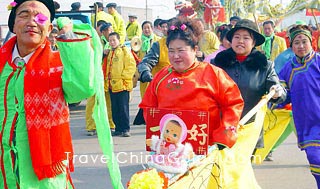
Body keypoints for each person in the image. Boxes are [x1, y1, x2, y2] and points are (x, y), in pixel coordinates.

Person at [0, 0, 96, 189]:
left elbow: (81, 89)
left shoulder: (59, 64)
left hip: (44, 179)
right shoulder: (2, 65)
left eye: (41, 17)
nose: (32, 21)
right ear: (14, 25)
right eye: (24, 15)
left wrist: (69, 37)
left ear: (50, 28)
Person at [140, 18, 244, 150]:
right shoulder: (161, 76)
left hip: (207, 149)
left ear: (195, 49)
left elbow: (233, 104)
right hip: (169, 149)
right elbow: (148, 108)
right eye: (171, 51)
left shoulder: (213, 74)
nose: (175, 56)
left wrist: (223, 137)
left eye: (180, 50)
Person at [213, 19, 286, 149]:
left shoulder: (264, 66)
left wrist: (277, 92)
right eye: (237, 37)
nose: (240, 41)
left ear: (253, 43)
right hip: (220, 129)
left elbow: (279, 93)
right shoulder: (217, 63)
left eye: (246, 38)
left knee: (242, 168)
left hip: (248, 130)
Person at [278, 24, 320, 189]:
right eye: (297, 43)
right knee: (315, 160)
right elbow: (283, 95)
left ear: (312, 43)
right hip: (307, 124)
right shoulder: (288, 68)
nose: (301, 46)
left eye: (304, 41)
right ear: (291, 46)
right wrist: (275, 95)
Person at [104, 32, 136, 137]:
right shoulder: (109, 53)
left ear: (119, 40)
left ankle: (125, 128)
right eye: (110, 40)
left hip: (122, 85)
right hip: (112, 85)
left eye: (114, 40)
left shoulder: (125, 51)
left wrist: (124, 78)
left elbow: (131, 66)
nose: (112, 42)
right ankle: (118, 128)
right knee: (115, 108)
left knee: (123, 108)